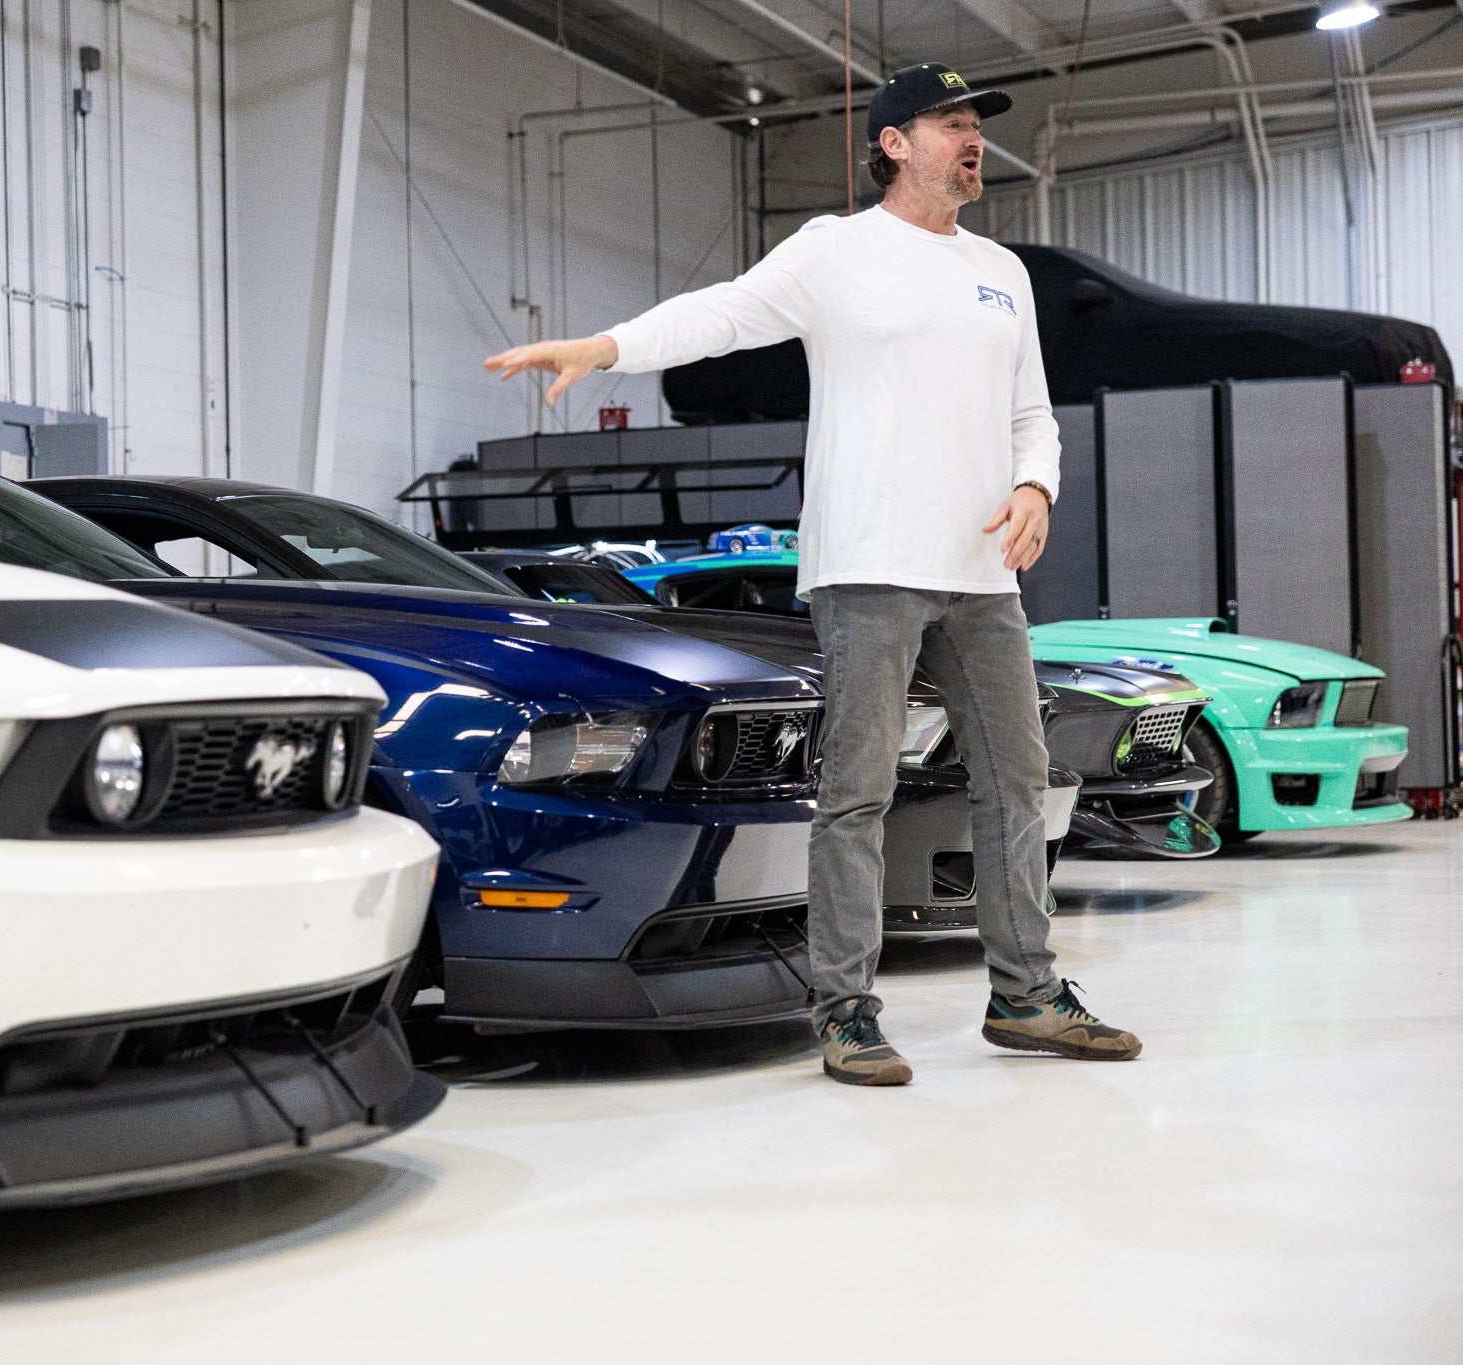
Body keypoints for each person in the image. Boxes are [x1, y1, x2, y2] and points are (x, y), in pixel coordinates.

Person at [484, 63, 1140, 1086]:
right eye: (951, 123)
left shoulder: (999, 273)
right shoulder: (837, 252)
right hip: (870, 565)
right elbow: (721, 315)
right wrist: (605, 346)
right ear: (892, 143)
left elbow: (1030, 415)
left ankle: (1025, 994)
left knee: (1016, 784)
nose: (972, 139)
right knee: (856, 793)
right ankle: (843, 1009)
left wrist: (1035, 490)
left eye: (976, 125)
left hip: (980, 573)